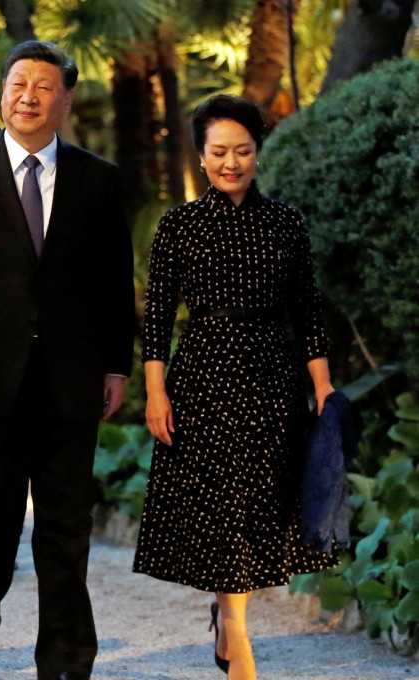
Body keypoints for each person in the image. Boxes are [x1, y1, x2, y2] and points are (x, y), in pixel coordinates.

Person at [0, 41, 135, 680]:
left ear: (65, 100)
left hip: (71, 381)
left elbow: (112, 281)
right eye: (19, 84)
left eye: (45, 86)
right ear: (3, 92)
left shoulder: (98, 178)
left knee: (66, 527)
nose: (30, 96)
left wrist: (116, 365)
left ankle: (66, 657)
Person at [133, 94, 338, 680]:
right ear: (201, 157)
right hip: (202, 378)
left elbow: (308, 311)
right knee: (221, 506)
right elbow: (156, 318)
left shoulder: (285, 222)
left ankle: (229, 619)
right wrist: (155, 391)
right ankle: (239, 635)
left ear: (258, 153)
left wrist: (322, 388)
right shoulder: (180, 225)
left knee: (257, 508)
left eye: (242, 150)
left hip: (272, 378)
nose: (231, 162)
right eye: (219, 151)